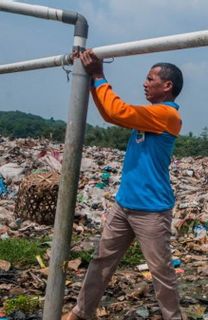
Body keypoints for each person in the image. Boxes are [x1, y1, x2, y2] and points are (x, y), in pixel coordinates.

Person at [62, 49, 184, 320]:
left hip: (151, 210)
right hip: (124, 204)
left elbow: (118, 111)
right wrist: (94, 80)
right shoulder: (150, 114)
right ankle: (81, 313)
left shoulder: (167, 116)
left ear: (167, 86)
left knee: (161, 273)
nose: (144, 83)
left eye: (150, 78)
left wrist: (98, 74)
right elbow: (111, 115)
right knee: (101, 262)